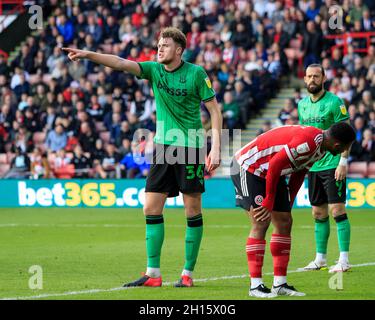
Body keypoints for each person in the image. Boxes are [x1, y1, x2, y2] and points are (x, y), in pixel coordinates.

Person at [62, 27, 222, 287]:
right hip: (162, 148)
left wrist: (215, 148)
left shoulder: (196, 73)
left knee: (192, 210)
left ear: (179, 50)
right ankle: (153, 273)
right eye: (159, 44)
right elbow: (120, 63)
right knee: (150, 207)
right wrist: (89, 55)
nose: (160, 49)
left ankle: (187, 274)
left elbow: (214, 111)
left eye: (166, 45)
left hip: (191, 148)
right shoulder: (154, 70)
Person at [231, 122, 355, 298]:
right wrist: (268, 201)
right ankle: (255, 286)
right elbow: (274, 164)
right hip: (249, 166)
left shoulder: (321, 149)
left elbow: (299, 172)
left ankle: (279, 284)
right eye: (345, 147)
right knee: (261, 221)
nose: (344, 151)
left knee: (284, 221)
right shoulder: (309, 142)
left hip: (272, 171)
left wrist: (289, 200)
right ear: (337, 144)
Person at [298, 64, 352, 273]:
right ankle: (320, 259)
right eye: (309, 76)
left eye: (316, 76)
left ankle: (344, 260)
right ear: (304, 79)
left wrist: (343, 162)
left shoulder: (334, 102)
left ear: (324, 78)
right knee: (318, 213)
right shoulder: (302, 105)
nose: (312, 79)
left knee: (337, 209)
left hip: (332, 163)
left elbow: (347, 134)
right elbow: (304, 135)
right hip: (313, 165)